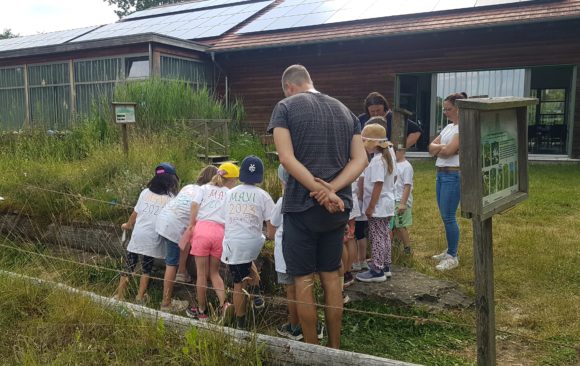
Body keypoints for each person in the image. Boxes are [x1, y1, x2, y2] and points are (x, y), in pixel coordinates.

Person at [268, 64, 368, 349]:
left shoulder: (285, 107)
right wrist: (333, 191)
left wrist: (319, 190)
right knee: (332, 278)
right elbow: (360, 161)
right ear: (310, 81)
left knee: (303, 281)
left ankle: (311, 349)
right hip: (338, 211)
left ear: (289, 86)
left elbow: (286, 159)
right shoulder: (346, 112)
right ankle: (335, 348)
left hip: (301, 207)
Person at [221, 156, 275, 329]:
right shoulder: (264, 196)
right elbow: (271, 230)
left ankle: (241, 323)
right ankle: (257, 293)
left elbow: (224, 219)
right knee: (247, 261)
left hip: (233, 243)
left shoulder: (229, 194)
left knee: (238, 283)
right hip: (253, 243)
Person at [155, 165, 217, 313]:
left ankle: (182, 273)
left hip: (163, 218)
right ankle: (166, 303)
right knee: (171, 263)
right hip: (174, 225)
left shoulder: (189, 186)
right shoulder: (206, 194)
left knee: (185, 241)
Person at [114, 162, 179, 303]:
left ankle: (119, 296)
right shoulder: (171, 199)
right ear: (171, 180)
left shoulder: (145, 192)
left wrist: (128, 225)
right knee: (146, 268)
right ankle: (140, 296)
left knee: (129, 265)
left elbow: (135, 213)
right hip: (153, 237)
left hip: (138, 235)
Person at [185, 162, 239, 320]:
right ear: (231, 180)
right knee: (214, 272)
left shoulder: (204, 189)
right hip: (220, 233)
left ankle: (202, 310)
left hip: (202, 231)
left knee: (201, 274)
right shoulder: (230, 193)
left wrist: (192, 224)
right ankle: (224, 305)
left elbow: (194, 206)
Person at [428, 92, 466, 271]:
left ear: (459, 108)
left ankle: (453, 255)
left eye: (448, 109)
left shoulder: (463, 127)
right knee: (445, 215)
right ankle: (450, 250)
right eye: (444, 109)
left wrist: (442, 149)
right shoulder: (448, 128)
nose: (445, 112)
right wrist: (442, 148)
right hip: (441, 174)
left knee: (449, 216)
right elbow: (430, 147)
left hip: (453, 175)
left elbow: (448, 151)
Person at [356, 124, 396, 282]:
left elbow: (378, 184)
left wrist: (371, 206)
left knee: (377, 236)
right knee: (384, 235)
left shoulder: (378, 161)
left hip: (378, 205)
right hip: (386, 203)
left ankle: (377, 269)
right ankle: (385, 265)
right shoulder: (386, 157)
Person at [358, 92, 422, 148]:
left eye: (378, 110)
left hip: (389, 156)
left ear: (384, 106)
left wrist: (401, 149)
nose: (376, 113)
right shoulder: (361, 119)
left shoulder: (395, 119)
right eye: (372, 111)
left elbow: (416, 131)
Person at [391, 147, 414, 255]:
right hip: (393, 198)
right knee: (394, 225)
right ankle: (396, 245)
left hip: (401, 200)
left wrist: (402, 203)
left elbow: (407, 186)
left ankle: (407, 248)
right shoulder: (394, 164)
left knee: (401, 225)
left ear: (402, 152)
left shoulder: (407, 166)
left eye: (394, 151)